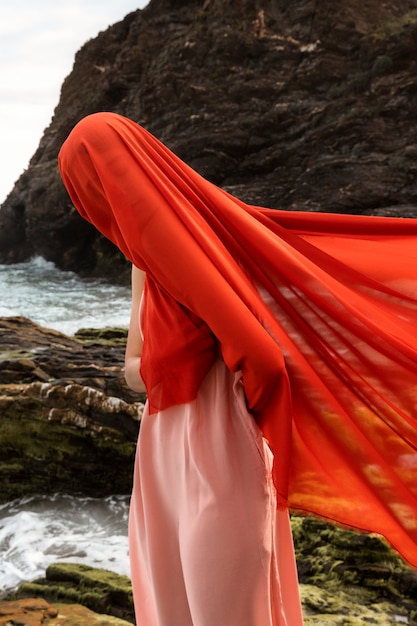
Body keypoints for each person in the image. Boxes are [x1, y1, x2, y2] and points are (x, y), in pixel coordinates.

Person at [58, 112, 417, 625]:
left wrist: (273, 443)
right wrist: (169, 364)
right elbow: (134, 369)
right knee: (178, 603)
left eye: (87, 184)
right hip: (163, 459)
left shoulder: (210, 243)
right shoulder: (144, 261)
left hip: (215, 452)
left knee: (224, 608)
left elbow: (265, 358)